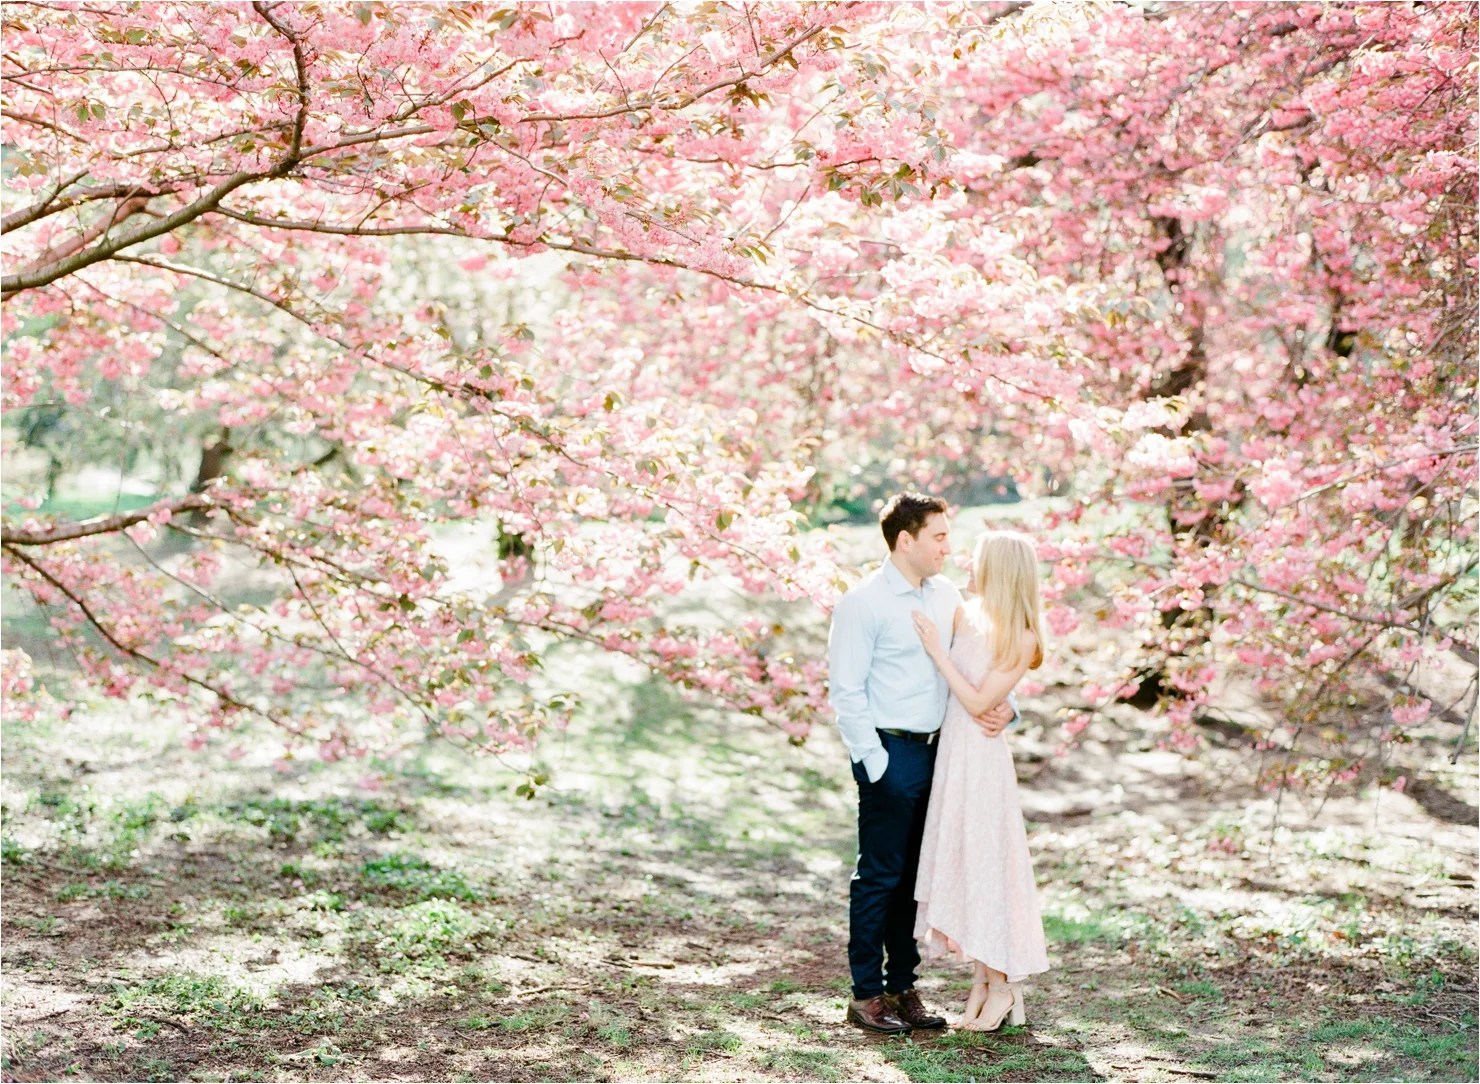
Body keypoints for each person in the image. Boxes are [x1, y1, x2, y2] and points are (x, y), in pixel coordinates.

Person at [828, 494, 1017, 1034]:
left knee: (916, 876)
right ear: (905, 540)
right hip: (891, 753)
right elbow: (846, 692)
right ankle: (867, 994)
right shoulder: (862, 602)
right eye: (938, 536)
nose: (948, 548)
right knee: (879, 876)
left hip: (944, 751)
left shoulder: (946, 595)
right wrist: (875, 763)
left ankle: (903, 987)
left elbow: (979, 662)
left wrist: (1009, 706)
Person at [910, 529, 1050, 1031]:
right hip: (953, 754)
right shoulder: (964, 614)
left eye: (977, 558)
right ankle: (983, 980)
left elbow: (975, 701)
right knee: (966, 862)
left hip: (983, 760)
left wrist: (938, 653)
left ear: (999, 569)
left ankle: (1004, 985)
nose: (966, 563)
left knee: (989, 866)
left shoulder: (1023, 636)